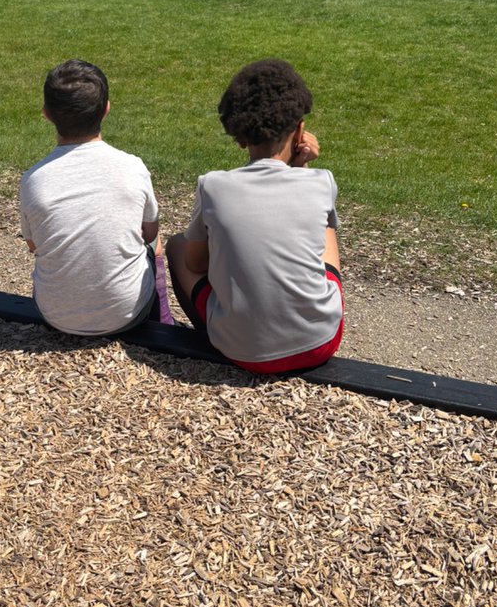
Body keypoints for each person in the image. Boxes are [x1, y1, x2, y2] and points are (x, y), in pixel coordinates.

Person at [166, 59, 343, 373]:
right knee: (326, 227)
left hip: (238, 349)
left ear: (240, 137)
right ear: (300, 129)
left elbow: (194, 264)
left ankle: (210, 332)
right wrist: (301, 169)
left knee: (177, 246)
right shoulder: (321, 181)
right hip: (319, 343)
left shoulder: (213, 186)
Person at [19, 59, 173, 335]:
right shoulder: (132, 167)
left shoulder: (33, 180)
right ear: (106, 110)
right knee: (157, 245)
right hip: (128, 313)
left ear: (46, 114)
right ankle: (162, 318)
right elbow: (150, 233)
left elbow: (33, 245)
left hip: (56, 316)